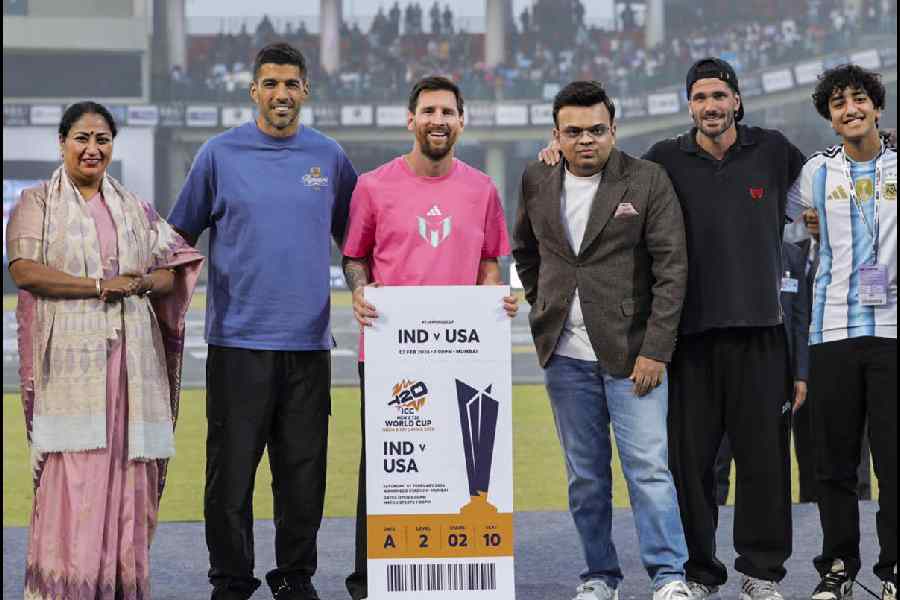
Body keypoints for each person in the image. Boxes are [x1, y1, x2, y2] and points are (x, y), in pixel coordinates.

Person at [538, 58, 807, 600]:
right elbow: (603, 172)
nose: (710, 106)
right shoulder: (663, 160)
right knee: (690, 465)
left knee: (765, 463)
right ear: (689, 105)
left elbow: (821, 184)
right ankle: (701, 573)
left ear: (736, 99)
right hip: (688, 340)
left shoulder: (775, 150)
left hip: (760, 332)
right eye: (700, 97)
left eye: (719, 95)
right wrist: (554, 158)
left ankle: (760, 573)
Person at [167, 43, 358, 600]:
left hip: (308, 345)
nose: (281, 93)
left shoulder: (329, 158)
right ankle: (231, 579)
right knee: (230, 476)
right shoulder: (218, 155)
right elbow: (180, 238)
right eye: (270, 83)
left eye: (291, 84)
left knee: (303, 473)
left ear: (306, 91)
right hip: (236, 344)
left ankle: (295, 576)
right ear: (254, 90)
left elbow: (359, 243)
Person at [6, 101, 204, 600]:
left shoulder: (134, 208)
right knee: (73, 478)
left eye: (102, 139)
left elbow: (172, 267)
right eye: (82, 138)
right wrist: (98, 285)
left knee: (127, 473)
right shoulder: (37, 202)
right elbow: (24, 270)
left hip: (131, 368)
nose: (92, 149)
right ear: (62, 143)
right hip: (70, 368)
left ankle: (118, 587)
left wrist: (140, 281)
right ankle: (66, 589)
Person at [341, 75, 517, 600]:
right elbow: (355, 257)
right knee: (389, 464)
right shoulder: (373, 186)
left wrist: (495, 301)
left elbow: (491, 261)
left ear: (461, 121)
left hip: (464, 352)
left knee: (458, 460)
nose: (438, 120)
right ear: (410, 119)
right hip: (391, 352)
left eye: (447, 112)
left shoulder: (481, 188)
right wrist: (359, 290)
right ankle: (371, 580)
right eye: (428, 111)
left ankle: (450, 572)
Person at [515, 80, 692, 600]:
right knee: (586, 480)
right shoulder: (536, 178)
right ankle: (599, 576)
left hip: (634, 355)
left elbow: (672, 269)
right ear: (557, 135)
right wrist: (543, 305)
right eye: (573, 132)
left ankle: (669, 577)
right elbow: (526, 252)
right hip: (565, 360)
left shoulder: (647, 180)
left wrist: (656, 350)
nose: (586, 140)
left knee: (649, 473)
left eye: (597, 130)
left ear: (613, 130)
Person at [787, 64, 896, 600]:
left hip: (894, 332)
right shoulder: (813, 174)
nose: (849, 109)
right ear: (829, 118)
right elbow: (787, 223)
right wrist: (807, 224)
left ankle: (894, 570)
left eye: (858, 100)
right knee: (833, 464)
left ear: (877, 107)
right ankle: (838, 568)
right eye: (837, 104)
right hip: (831, 332)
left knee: (895, 460)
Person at [713, 237, 811, 506]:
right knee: (719, 458)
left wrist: (801, 374)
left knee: (766, 457)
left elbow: (801, 321)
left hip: (778, 373)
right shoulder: (731, 246)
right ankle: (712, 530)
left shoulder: (792, 255)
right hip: (734, 365)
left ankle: (762, 528)